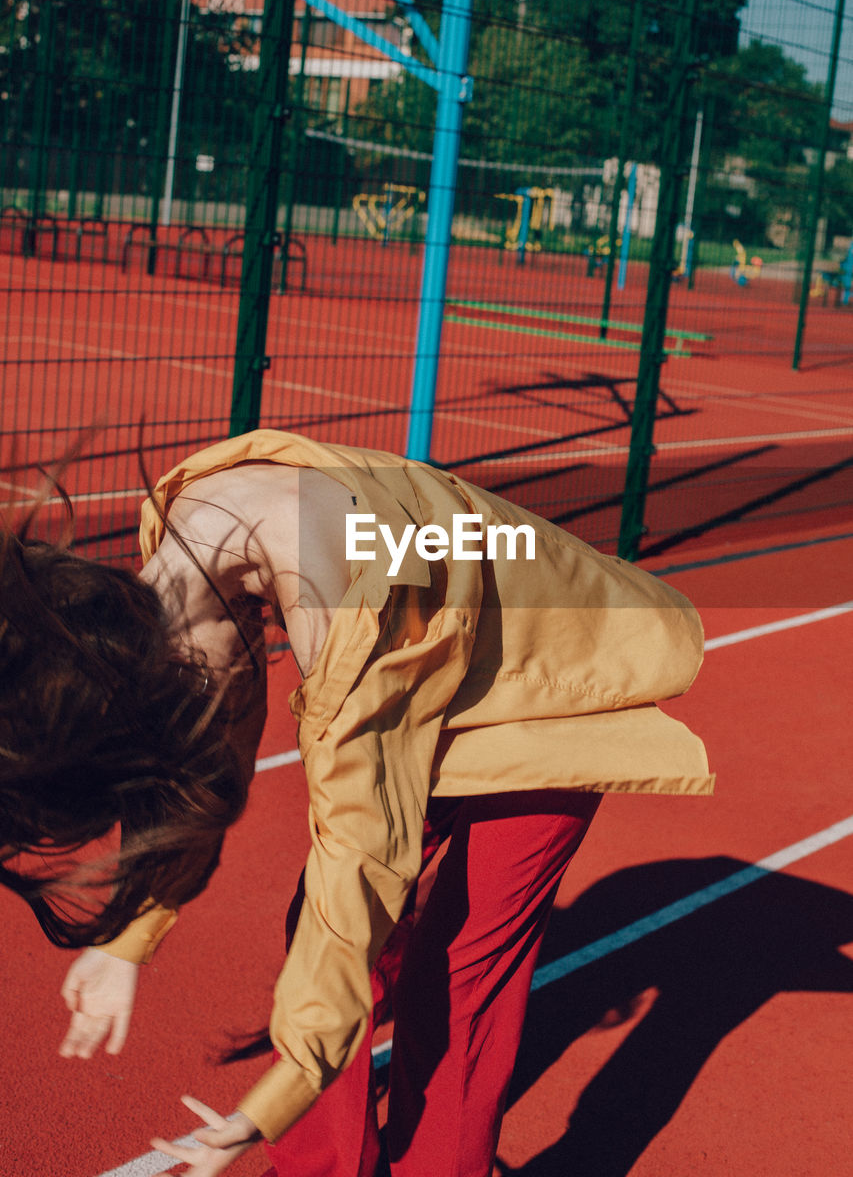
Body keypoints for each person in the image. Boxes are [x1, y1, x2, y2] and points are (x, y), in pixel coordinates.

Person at [0, 428, 711, 1176]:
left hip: (554, 676)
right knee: (325, 923)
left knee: (459, 964)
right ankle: (324, 1166)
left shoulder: (343, 607)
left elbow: (362, 855)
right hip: (438, 647)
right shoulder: (184, 552)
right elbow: (222, 761)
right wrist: (130, 938)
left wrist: (272, 1099)